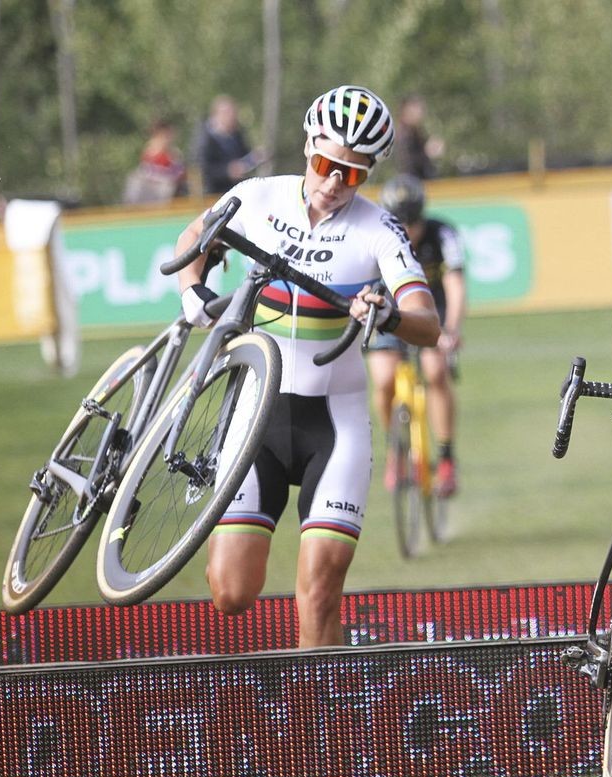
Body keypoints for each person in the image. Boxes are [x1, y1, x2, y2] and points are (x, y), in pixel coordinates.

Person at [172, 85, 440, 647]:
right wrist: (193, 291)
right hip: (254, 420)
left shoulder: (377, 228)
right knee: (231, 592)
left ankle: (315, 724)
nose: (335, 182)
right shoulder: (258, 196)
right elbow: (194, 238)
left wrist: (387, 314)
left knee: (319, 594)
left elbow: (428, 322)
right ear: (307, 146)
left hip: (333, 424)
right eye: (326, 164)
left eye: (354, 173)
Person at [368, 174, 467, 496]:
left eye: (413, 223)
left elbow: (455, 284)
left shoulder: (443, 234)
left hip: (429, 313)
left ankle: (447, 458)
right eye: (401, 224)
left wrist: (451, 328)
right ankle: (395, 451)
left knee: (436, 372)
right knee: (384, 379)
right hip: (388, 313)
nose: (408, 232)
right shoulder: (375, 236)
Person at [195, 95, 265, 194]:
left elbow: (244, 157)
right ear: (216, 115)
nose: (231, 116)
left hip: (238, 188)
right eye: (227, 113)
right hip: (214, 192)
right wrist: (227, 171)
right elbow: (202, 169)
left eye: (233, 113)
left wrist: (255, 157)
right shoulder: (205, 139)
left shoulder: (237, 135)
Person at [123, 119, 187, 204]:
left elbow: (180, 172)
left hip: (167, 186)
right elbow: (146, 171)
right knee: (134, 181)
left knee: (166, 187)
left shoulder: (173, 153)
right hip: (150, 185)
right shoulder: (151, 150)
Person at [392, 95, 444, 180]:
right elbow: (407, 165)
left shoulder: (416, 131)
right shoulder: (404, 134)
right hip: (412, 185)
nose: (420, 112)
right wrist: (428, 152)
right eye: (416, 109)